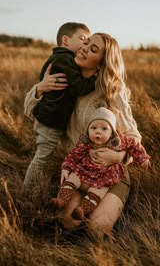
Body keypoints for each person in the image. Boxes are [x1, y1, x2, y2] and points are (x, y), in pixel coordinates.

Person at [24, 32, 143, 236]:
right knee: (68, 224)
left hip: (110, 174)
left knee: (96, 231)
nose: (85, 48)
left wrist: (120, 156)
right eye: (86, 42)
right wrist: (39, 88)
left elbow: (134, 136)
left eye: (93, 49)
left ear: (101, 64)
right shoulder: (67, 83)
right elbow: (30, 112)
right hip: (79, 173)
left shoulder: (111, 90)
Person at [23, 22, 97, 188]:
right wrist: (95, 78)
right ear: (65, 40)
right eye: (83, 39)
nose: (85, 45)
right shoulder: (64, 59)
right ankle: (25, 191)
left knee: (43, 157)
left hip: (50, 117)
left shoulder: (60, 58)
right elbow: (78, 87)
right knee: (41, 159)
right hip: (51, 120)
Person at [51, 107, 150, 221]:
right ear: (88, 130)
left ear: (112, 132)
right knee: (72, 179)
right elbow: (73, 155)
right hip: (84, 170)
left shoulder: (118, 142)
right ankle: (62, 200)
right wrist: (66, 168)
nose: (98, 131)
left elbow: (134, 144)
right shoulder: (85, 141)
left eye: (104, 129)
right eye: (93, 128)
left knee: (97, 192)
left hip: (105, 175)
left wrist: (142, 158)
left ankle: (82, 210)